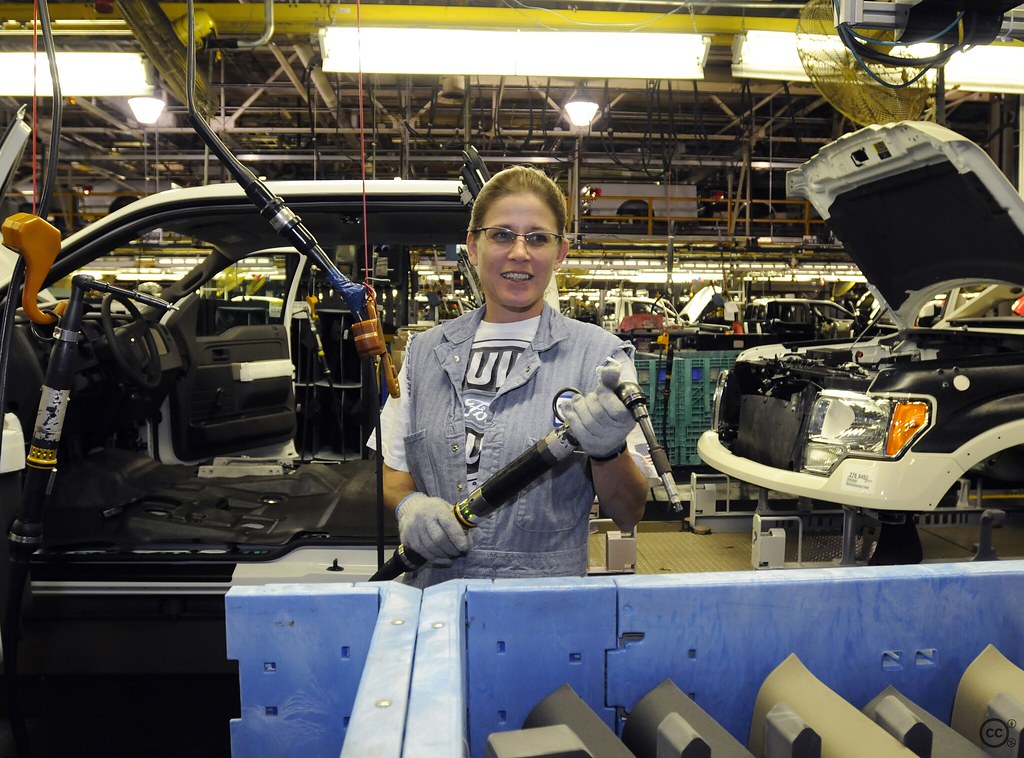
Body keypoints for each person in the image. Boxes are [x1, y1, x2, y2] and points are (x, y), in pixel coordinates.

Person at [370, 164, 652, 588]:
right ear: (472, 245)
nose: (519, 253)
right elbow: (393, 473)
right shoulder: (424, 353)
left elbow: (630, 511)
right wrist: (410, 506)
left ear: (560, 252)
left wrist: (608, 451)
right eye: (502, 234)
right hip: (433, 600)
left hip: (541, 605)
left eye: (537, 238)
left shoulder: (602, 360)